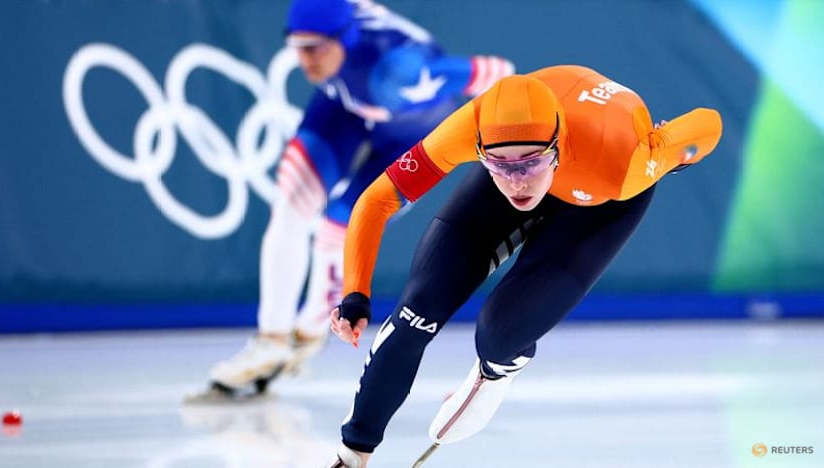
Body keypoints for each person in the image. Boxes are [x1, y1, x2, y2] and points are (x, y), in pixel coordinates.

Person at [325, 67, 723, 466]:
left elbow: (709, 123)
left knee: (500, 333)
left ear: (557, 144)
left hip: (597, 193)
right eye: (499, 165)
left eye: (529, 165)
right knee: (417, 310)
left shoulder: (624, 161)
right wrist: (356, 292)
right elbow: (377, 200)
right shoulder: (470, 126)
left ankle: (498, 368)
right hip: (554, 154)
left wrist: (669, 151)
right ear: (480, 148)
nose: (517, 183)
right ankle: (352, 453)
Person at [193, 0, 514, 400]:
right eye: (297, 46)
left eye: (314, 48)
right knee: (291, 199)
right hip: (342, 105)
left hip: (408, 132)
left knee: (336, 228)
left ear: (343, 39)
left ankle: (309, 332)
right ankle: (271, 340)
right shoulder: (332, 44)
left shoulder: (398, 73)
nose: (304, 60)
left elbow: (498, 72)